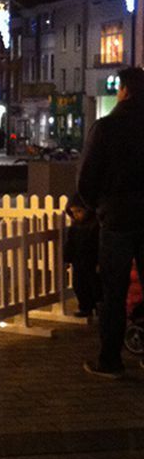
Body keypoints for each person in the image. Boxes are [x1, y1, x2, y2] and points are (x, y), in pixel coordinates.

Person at [78, 66, 144, 379]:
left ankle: (110, 359)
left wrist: (98, 207)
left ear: (125, 90)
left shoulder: (107, 127)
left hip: (118, 218)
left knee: (114, 291)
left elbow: (87, 178)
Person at [63, 192, 100, 318]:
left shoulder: (95, 226)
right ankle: (85, 307)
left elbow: (98, 245)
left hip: (92, 261)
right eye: (73, 212)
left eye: (79, 211)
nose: (76, 215)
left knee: (94, 285)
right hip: (78, 261)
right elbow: (70, 244)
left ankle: (98, 306)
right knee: (79, 285)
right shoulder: (75, 227)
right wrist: (67, 259)